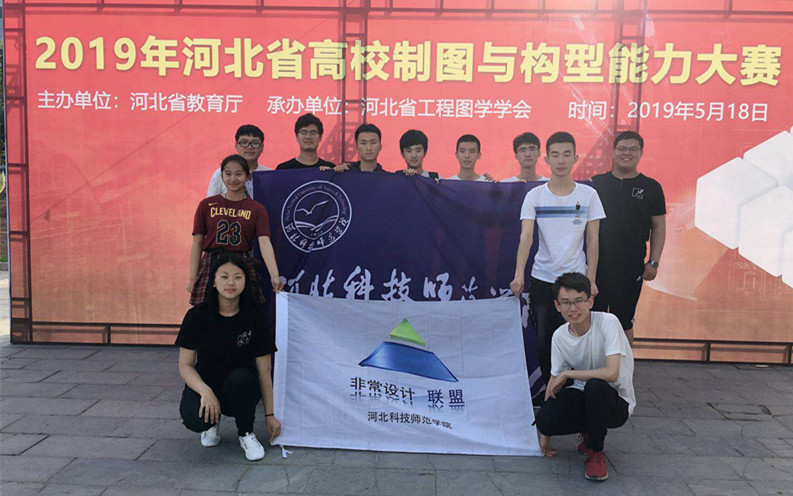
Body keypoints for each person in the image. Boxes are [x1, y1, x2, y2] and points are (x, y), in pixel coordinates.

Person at [510, 131, 605, 390]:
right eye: (555, 155)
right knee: (545, 340)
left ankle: (578, 390)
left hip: (577, 280)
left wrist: (591, 279)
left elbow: (593, 239)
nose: (561, 160)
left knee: (580, 338)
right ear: (547, 159)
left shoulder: (588, 195)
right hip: (544, 278)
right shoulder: (535, 196)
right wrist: (519, 274)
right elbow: (526, 237)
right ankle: (554, 391)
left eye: (566, 154)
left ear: (575, 157)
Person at [177, 252, 282, 461]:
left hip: (240, 386)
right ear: (213, 281)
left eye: (237, 277)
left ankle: (246, 433)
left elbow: (264, 371)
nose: (231, 283)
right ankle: (211, 422)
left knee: (241, 378)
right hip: (207, 382)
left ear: (245, 281)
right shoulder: (196, 316)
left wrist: (270, 415)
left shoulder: (255, 317)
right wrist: (205, 391)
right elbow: (185, 366)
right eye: (224, 277)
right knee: (193, 417)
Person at [534, 272, 635, 482]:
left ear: (590, 301)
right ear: (557, 306)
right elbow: (554, 382)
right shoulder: (560, 336)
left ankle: (596, 452)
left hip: (616, 402)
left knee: (595, 386)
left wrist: (568, 373)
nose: (573, 308)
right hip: (585, 397)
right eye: (566, 302)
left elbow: (612, 373)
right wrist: (544, 432)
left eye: (579, 301)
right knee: (546, 417)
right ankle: (589, 430)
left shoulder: (607, 322)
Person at [591, 131, 666, 345]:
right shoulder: (596, 183)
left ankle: (623, 366)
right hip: (596, 267)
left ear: (641, 153)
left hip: (631, 267)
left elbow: (659, 226)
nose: (627, 153)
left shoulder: (651, 187)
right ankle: (592, 365)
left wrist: (654, 262)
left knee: (623, 322)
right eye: (622, 148)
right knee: (591, 321)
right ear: (613, 152)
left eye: (633, 149)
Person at [188, 154, 283, 306]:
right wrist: (193, 278)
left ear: (247, 177)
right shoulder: (206, 205)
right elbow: (197, 243)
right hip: (212, 262)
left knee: (246, 312)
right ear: (221, 176)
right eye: (228, 173)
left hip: (242, 262)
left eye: (238, 174)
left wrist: (275, 276)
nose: (233, 179)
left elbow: (264, 242)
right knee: (207, 312)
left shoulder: (257, 209)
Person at [207, 125, 271, 198]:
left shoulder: (270, 175)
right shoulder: (221, 173)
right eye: (244, 142)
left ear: (262, 147)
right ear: (236, 145)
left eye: (255, 143)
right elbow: (211, 203)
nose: (249, 147)